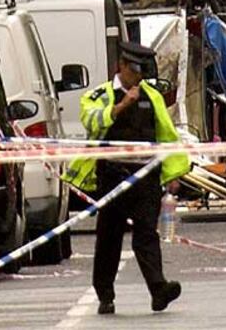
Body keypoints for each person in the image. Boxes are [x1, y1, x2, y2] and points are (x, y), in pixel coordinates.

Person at [64, 41, 190, 315]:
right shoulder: (99, 95)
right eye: (135, 70)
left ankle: (159, 290)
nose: (139, 76)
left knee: (147, 233)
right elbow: (91, 121)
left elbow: (166, 136)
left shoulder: (152, 96)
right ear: (121, 66)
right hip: (113, 176)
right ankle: (105, 295)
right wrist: (121, 106)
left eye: (143, 71)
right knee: (109, 236)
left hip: (145, 176)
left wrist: (174, 173)